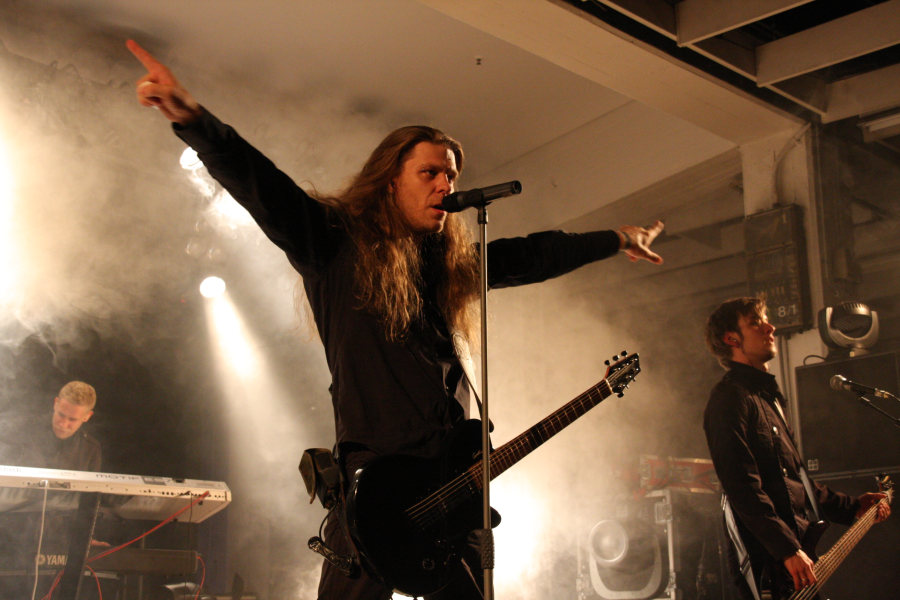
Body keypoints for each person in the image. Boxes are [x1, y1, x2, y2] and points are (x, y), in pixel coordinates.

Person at [126, 39, 665, 600]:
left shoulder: (448, 265)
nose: (445, 186)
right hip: (376, 492)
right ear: (390, 180)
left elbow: (534, 254)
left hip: (452, 486)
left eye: (450, 176)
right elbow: (264, 187)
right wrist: (193, 118)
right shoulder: (335, 245)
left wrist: (618, 238)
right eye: (430, 173)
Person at [703, 297, 890, 600]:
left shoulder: (770, 399)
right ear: (731, 339)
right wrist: (786, 549)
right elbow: (742, 487)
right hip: (770, 565)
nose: (770, 327)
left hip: (795, 557)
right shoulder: (729, 399)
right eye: (756, 322)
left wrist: (853, 506)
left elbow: (796, 483)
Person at [3, 380, 101, 472]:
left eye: (72, 419)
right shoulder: (20, 432)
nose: (63, 424)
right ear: (56, 403)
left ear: (87, 416)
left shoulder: (90, 450)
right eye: (61, 415)